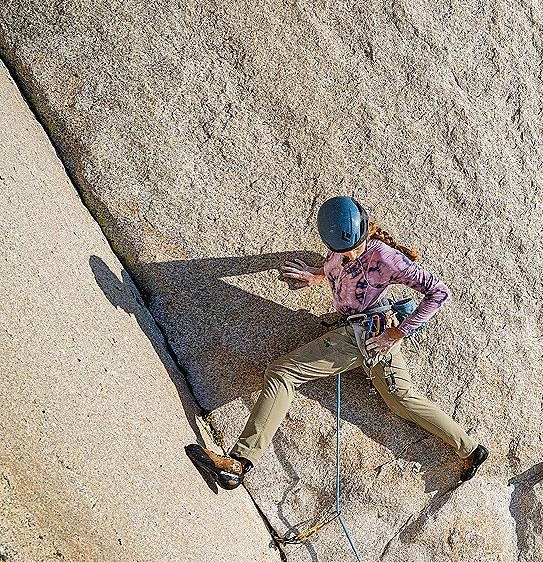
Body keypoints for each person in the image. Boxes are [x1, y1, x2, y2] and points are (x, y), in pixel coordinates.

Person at [188, 196, 488, 488]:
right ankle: (471, 449)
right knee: (400, 401)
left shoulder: (385, 257)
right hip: (368, 335)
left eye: (355, 249)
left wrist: (398, 333)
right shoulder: (338, 249)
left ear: (363, 230)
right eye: (342, 252)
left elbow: (439, 293)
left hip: (366, 334)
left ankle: (239, 463)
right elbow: (339, 268)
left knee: (283, 373)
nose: (350, 256)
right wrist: (317, 276)